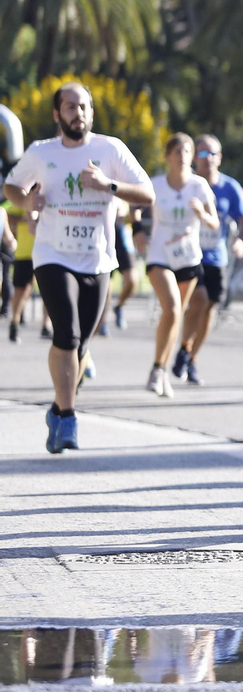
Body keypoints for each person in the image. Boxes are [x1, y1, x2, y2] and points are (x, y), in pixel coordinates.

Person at [3, 82, 154, 452]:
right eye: (70, 107)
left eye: (83, 106)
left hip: (97, 257)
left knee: (81, 343)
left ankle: (56, 407)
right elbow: (11, 187)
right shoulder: (42, 152)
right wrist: (28, 200)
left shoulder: (110, 149)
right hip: (53, 254)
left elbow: (147, 193)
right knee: (67, 334)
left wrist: (109, 184)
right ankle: (68, 417)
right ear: (57, 114)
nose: (78, 113)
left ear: (91, 111)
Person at [144, 133, 220, 397]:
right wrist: (136, 231)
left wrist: (201, 214)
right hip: (160, 255)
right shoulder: (154, 185)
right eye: (176, 151)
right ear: (167, 157)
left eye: (187, 151)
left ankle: (162, 369)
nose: (182, 156)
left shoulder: (199, 186)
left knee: (176, 313)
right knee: (172, 307)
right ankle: (157, 368)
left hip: (188, 256)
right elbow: (137, 212)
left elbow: (215, 223)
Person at [173, 135, 243, 385]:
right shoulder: (187, 184)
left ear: (220, 158)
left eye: (213, 154)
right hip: (189, 253)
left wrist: (241, 240)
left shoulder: (229, 187)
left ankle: (191, 359)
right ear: (194, 157)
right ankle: (184, 347)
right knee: (199, 298)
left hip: (217, 255)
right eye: (203, 154)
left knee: (210, 307)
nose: (208, 159)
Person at [3, 195, 36, 343]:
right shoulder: (25, 198)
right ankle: (14, 322)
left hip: (48, 252)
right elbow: (10, 217)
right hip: (24, 251)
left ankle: (47, 326)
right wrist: (28, 219)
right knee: (21, 289)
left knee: (52, 289)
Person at [108, 200, 138, 331]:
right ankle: (101, 320)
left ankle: (119, 306)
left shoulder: (125, 188)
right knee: (106, 287)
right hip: (107, 242)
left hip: (124, 242)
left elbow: (133, 216)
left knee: (132, 281)